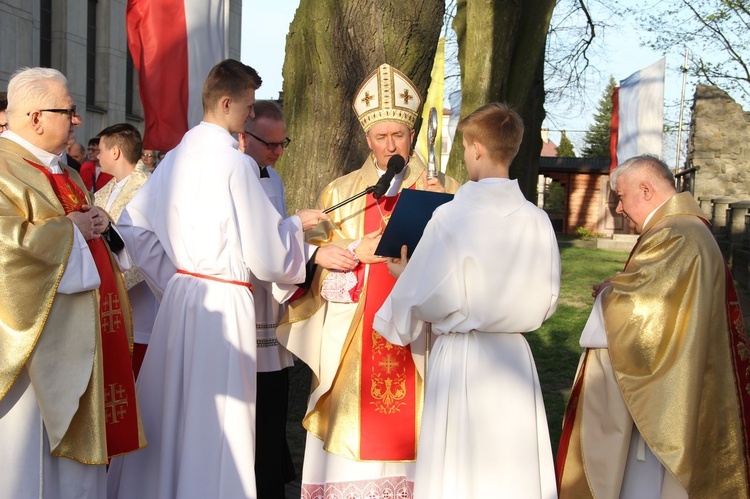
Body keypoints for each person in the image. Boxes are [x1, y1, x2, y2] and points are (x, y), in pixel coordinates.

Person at [107, 59, 327, 499]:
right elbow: (267, 257)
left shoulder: (176, 157)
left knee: (177, 411)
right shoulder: (235, 164)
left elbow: (133, 227)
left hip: (184, 300)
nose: (249, 117)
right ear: (226, 103)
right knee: (221, 420)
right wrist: (295, 226)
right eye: (247, 108)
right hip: (224, 305)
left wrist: (176, 281)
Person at [277, 63, 459, 498]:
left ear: (412, 135)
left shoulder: (445, 187)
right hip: (356, 339)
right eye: (381, 137)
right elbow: (315, 274)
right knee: (351, 426)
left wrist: (446, 213)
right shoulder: (341, 193)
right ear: (367, 139)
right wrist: (346, 257)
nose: (390, 146)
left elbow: (464, 264)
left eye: (398, 135)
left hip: (420, 338)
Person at [373, 102, 561, 499]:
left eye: (464, 149)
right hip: (514, 357)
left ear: (476, 148)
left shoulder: (452, 217)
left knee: (459, 470)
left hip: (464, 358)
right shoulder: (537, 220)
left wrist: (404, 278)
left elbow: (423, 296)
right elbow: (549, 297)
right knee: (511, 466)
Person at [557, 155, 750, 498]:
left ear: (645, 189)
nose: (618, 208)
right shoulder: (684, 229)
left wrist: (609, 297)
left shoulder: (676, 234)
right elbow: (663, 299)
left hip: (669, 398)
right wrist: (622, 288)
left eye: (621, 196)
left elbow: (647, 316)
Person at [0, 67, 144, 499]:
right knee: (30, 464)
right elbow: (8, 250)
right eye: (70, 110)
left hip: (82, 340)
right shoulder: (5, 170)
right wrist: (71, 231)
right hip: (34, 352)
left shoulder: (65, 172)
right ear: (36, 117)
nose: (78, 121)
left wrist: (101, 223)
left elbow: (87, 232)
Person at [238, 99, 358, 498]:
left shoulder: (272, 177)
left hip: (269, 299)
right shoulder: (233, 177)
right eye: (269, 144)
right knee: (246, 406)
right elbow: (254, 242)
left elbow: (276, 241)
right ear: (243, 135)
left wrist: (299, 247)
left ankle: (271, 476)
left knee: (273, 399)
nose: (277, 152)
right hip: (240, 298)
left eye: (281, 143)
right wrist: (305, 244)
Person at [94, 123, 156, 379]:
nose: (97, 156)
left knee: (138, 376)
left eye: (101, 150)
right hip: (108, 293)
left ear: (116, 151)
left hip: (141, 299)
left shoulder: (149, 188)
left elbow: (149, 244)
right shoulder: (103, 191)